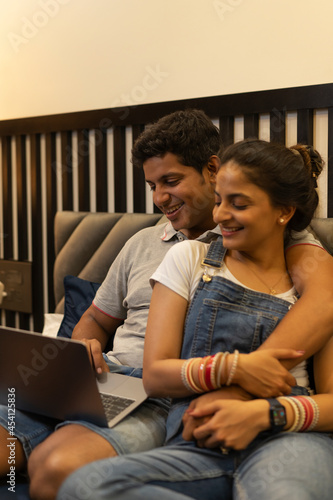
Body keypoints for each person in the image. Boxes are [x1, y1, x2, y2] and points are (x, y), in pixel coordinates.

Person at [0, 110, 331, 499]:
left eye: (170, 181)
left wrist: (244, 383)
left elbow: (324, 297)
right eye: (152, 185)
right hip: (103, 378)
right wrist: (84, 345)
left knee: (55, 468)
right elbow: (94, 318)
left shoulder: (278, 240)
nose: (159, 199)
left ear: (212, 169)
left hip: (158, 396)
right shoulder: (144, 243)